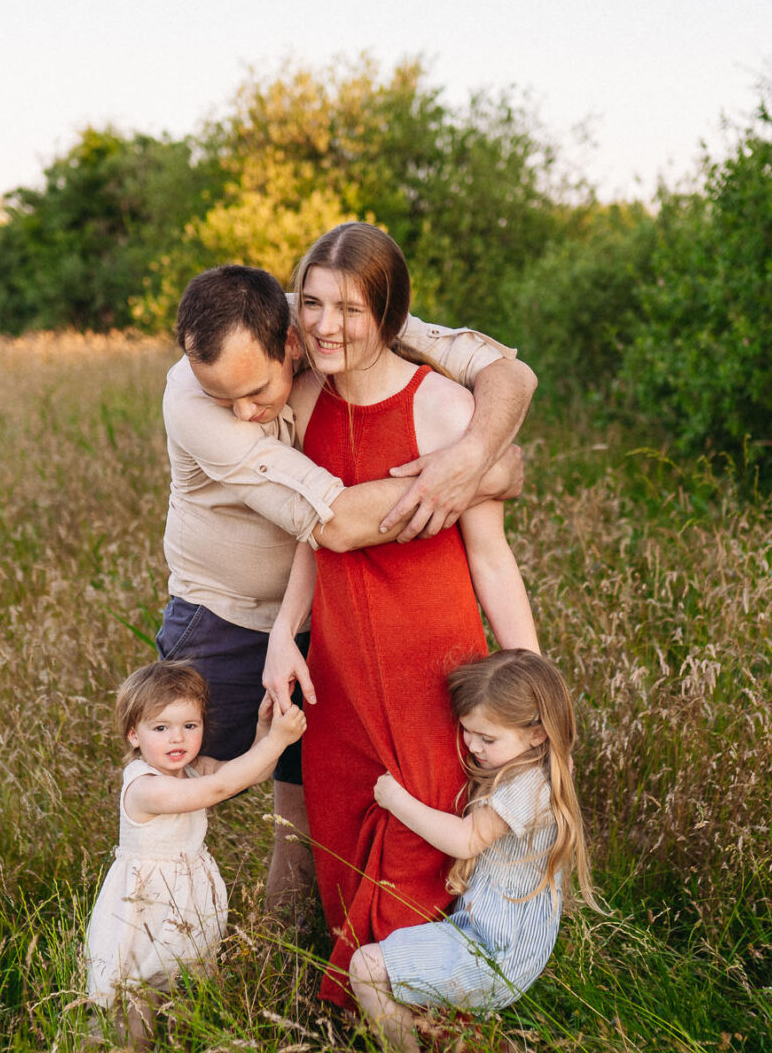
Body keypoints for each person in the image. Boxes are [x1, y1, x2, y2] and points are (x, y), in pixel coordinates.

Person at [160, 265, 535, 926]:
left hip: (320, 617)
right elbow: (331, 522)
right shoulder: (191, 402)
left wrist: (472, 447)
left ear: (293, 345)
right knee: (177, 792)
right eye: (224, 397)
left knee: (303, 806)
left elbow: (511, 375)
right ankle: (148, 952)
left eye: (253, 392)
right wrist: (483, 471)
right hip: (223, 616)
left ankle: (286, 954)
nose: (242, 414)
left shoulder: (323, 318)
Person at [263, 222, 539, 1009]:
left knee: (423, 848)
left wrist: (534, 683)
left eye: (349, 308)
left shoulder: (446, 409)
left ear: (389, 315)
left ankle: (443, 1029)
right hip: (342, 670)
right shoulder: (305, 398)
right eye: (312, 303)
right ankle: (369, 1031)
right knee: (346, 843)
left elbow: (489, 556)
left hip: (434, 666)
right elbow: (314, 536)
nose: (324, 325)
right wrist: (286, 634)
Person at [349, 650, 600, 1053]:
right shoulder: (532, 763)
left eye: (487, 738)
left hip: (494, 952)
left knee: (366, 968)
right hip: (491, 940)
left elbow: (466, 838)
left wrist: (395, 800)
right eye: (467, 732)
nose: (473, 747)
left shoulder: (530, 786)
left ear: (537, 734)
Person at [83, 660, 306, 1049]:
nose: (178, 739)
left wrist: (264, 734)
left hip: (186, 901)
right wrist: (278, 743)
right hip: (146, 905)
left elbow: (247, 774)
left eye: (190, 726)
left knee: (182, 993)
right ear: (133, 734)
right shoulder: (144, 787)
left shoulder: (194, 767)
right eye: (161, 728)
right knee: (137, 997)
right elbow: (217, 790)